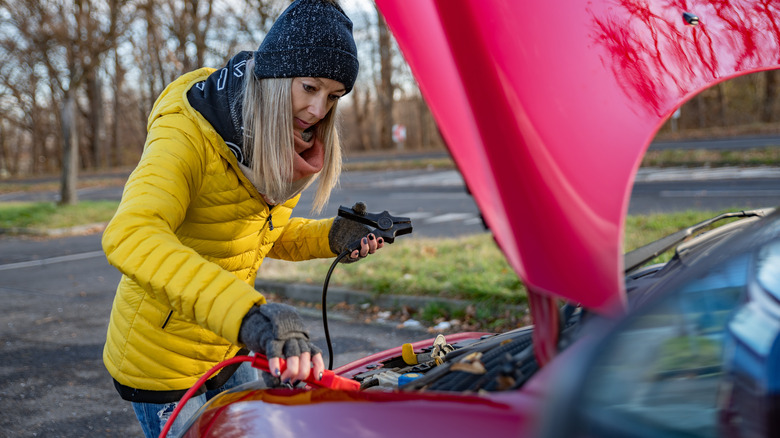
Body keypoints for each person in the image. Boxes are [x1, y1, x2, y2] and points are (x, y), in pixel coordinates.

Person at [101, 1, 378, 436]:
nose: (318, 110)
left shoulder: (289, 141)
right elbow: (131, 234)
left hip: (228, 343)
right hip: (166, 364)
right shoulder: (187, 133)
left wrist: (333, 236)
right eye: (309, 86)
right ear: (276, 73)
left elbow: (262, 234)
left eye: (333, 96)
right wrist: (251, 316)